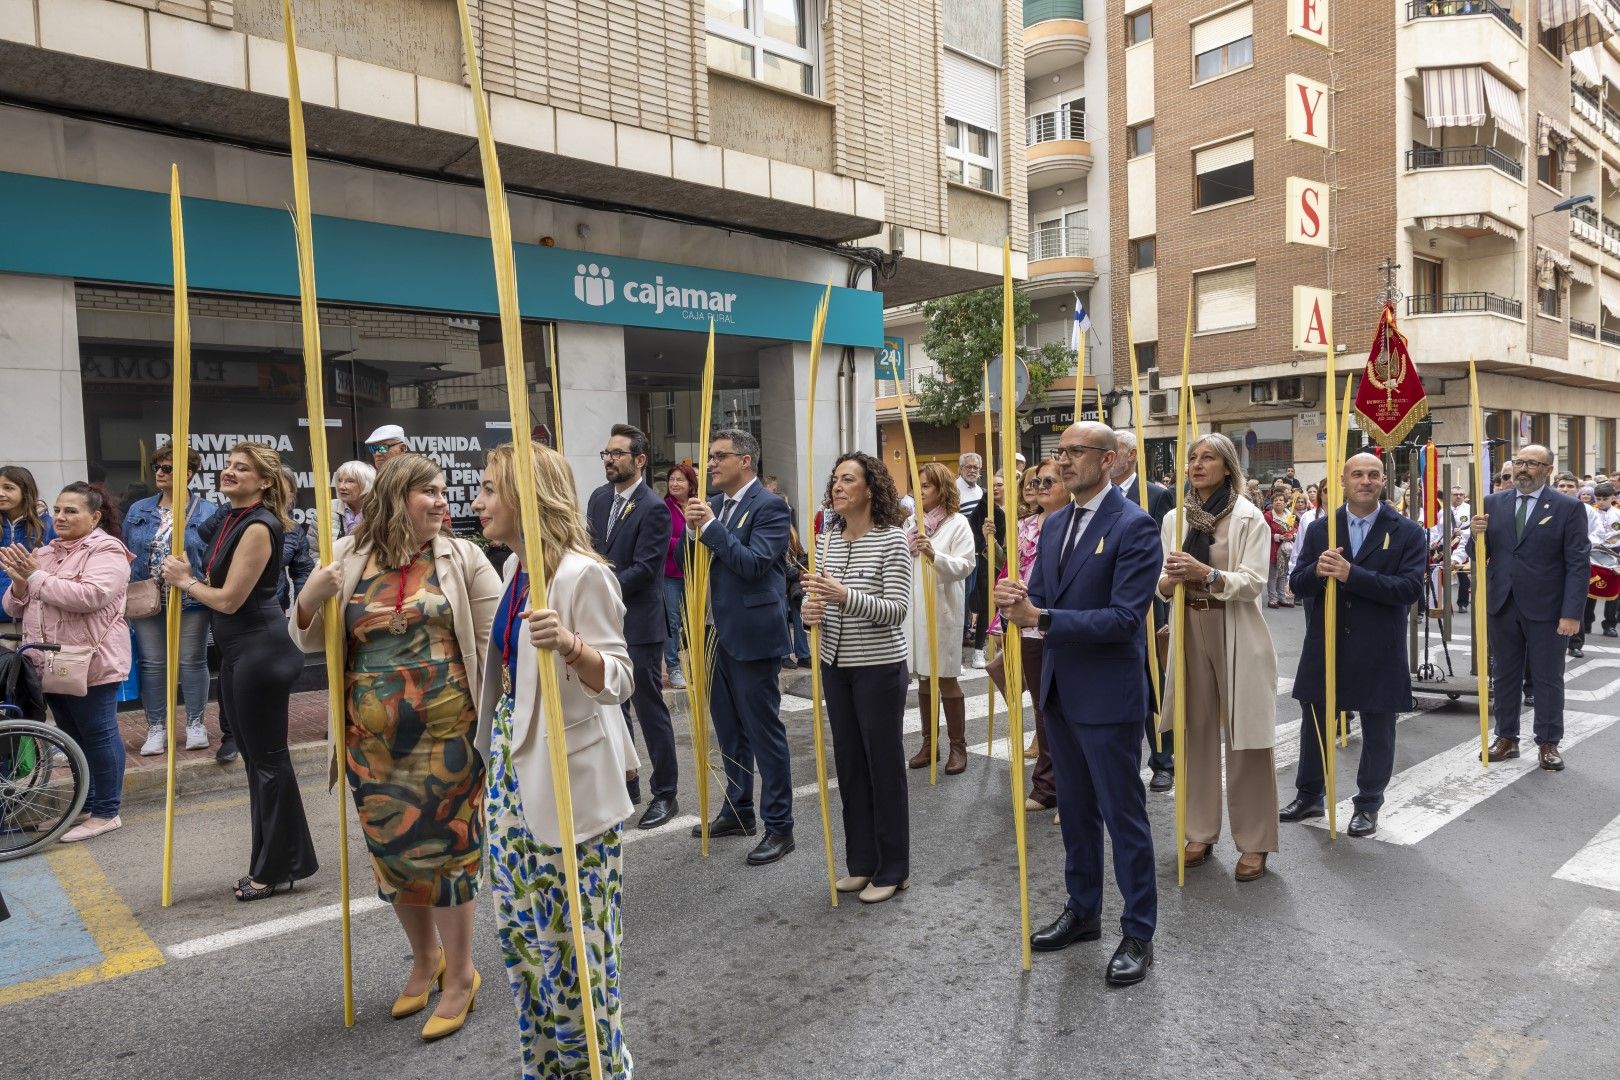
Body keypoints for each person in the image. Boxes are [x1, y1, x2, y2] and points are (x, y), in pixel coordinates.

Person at [289, 452, 498, 1037]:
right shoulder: (348, 558)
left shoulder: (464, 557)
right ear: (395, 497)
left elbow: (494, 644)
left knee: (450, 855)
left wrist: (499, 729)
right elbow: (309, 639)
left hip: (449, 738)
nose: (441, 501)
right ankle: (424, 960)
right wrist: (309, 597)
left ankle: (460, 974)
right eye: (427, 491)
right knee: (395, 854)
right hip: (371, 743)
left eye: (442, 491)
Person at [472, 440, 637, 1075]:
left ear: (527, 497)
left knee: (579, 954)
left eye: (490, 489)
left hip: (570, 786)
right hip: (515, 784)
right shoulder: (516, 569)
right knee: (524, 947)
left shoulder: (579, 574)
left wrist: (570, 644)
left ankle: (600, 1069)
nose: (478, 500)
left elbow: (620, 679)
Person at [994, 423, 1161, 986]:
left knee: (1123, 816)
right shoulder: (1057, 520)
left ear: (1109, 459)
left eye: (1074, 452)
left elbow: (1122, 619)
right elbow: (1044, 594)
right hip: (1060, 691)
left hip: (1109, 696)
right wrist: (1019, 599)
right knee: (1078, 817)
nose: (1061, 462)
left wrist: (1041, 618)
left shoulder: (1134, 525)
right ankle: (1083, 908)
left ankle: (1138, 930)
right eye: (1058, 452)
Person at [160, 442, 318, 900]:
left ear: (265, 482)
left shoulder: (259, 525)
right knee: (259, 763)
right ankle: (278, 860)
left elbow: (229, 599)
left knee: (268, 763)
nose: (229, 472)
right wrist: (191, 572)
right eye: (228, 465)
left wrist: (185, 581)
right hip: (238, 653)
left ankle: (275, 868)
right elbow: (218, 584)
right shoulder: (230, 518)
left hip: (260, 653)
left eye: (241, 468)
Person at [1282, 453, 1425, 838]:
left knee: (1378, 727)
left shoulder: (1408, 531)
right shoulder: (1321, 529)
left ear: (1383, 482)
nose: (1365, 480)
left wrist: (1351, 574)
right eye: (1357, 474)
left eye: (1373, 475)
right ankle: (1309, 793)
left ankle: (1368, 803)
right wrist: (1317, 570)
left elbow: (1409, 590)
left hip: (1379, 646)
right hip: (1327, 641)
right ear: (1342, 481)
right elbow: (1297, 584)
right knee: (1315, 724)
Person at [1158, 433, 1279, 881]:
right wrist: (1169, 584)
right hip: (1188, 626)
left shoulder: (1249, 518)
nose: (1197, 464)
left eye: (1208, 457)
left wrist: (1206, 574)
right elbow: (1163, 580)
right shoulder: (1173, 518)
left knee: (1246, 735)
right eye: (1192, 457)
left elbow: (1253, 582)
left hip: (1235, 628)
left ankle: (1255, 841)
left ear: (1228, 466)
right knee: (1194, 729)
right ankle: (1199, 830)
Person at [801, 451, 913, 904]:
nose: (838, 487)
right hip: (836, 665)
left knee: (883, 766)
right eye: (835, 480)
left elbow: (896, 610)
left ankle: (894, 867)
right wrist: (812, 611)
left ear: (871, 488)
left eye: (849, 479)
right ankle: (861, 862)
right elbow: (820, 604)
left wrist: (844, 596)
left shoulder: (892, 541)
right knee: (848, 765)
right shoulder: (826, 539)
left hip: (879, 668)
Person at [684, 429, 796, 865]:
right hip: (712, 632)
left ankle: (780, 827)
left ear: (745, 460)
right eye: (711, 457)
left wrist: (710, 530)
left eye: (719, 457)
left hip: (751, 634)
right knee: (728, 730)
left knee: (764, 733)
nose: (710, 464)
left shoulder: (769, 507)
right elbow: (687, 564)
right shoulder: (712, 507)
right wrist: (694, 534)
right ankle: (738, 808)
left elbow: (753, 565)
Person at [0, 482, 132, 843]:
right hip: (48, 662)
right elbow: (13, 607)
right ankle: (86, 804)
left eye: (71, 510)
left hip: (89, 660)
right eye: (58, 509)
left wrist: (35, 577)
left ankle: (107, 812)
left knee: (99, 734)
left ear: (95, 517)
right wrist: (20, 584)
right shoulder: (45, 551)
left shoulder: (107, 550)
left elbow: (91, 596)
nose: (60, 517)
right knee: (72, 736)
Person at [1472, 445, 1590, 770]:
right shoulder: (1493, 503)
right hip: (1502, 603)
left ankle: (1548, 742)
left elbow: (1578, 564)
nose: (1523, 469)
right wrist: (1474, 535)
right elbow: (1479, 553)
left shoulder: (1568, 508)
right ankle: (1506, 738)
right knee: (1504, 674)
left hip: (1548, 608)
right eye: (1520, 463)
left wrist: (1571, 613)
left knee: (1547, 677)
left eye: (1532, 464)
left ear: (1548, 469)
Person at [588, 424, 679, 830]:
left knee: (648, 707)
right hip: (602, 620)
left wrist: (594, 586)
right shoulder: (597, 499)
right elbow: (589, 551)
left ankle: (666, 793)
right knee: (611, 704)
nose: (609, 460)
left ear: (640, 460)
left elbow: (645, 569)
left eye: (618, 454)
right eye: (606, 453)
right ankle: (628, 781)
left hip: (639, 622)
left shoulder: (653, 507)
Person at [123, 442, 219, 756]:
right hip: (147, 596)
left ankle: (195, 723)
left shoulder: (207, 511)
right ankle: (156, 728)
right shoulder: (139, 509)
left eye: (168, 468)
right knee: (152, 664)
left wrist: (199, 577)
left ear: (188, 473)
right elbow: (126, 551)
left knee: (192, 660)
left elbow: (214, 555)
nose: (160, 474)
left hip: (191, 595)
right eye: (158, 467)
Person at [988, 461, 1063, 808]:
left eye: (1051, 479)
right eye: (1037, 481)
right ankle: (1047, 786)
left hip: (1065, 626)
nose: (1041, 485)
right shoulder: (1024, 526)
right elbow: (1009, 572)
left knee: (1069, 711)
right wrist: (1001, 617)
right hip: (1029, 627)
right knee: (1042, 708)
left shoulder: (1078, 524)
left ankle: (1073, 791)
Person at [1110, 430, 1176, 790]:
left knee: (1155, 679)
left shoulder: (1155, 495)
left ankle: (1163, 759)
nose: (1108, 457)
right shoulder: (1100, 496)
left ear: (1132, 455)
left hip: (1148, 602)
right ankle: (1126, 756)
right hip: (1111, 602)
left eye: (1114, 450)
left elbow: (1163, 550)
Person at [905, 462, 976, 775]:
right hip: (915, 608)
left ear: (942, 490)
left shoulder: (958, 523)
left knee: (945, 676)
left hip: (943, 608)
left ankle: (958, 746)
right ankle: (928, 743)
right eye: (918, 485)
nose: (920, 491)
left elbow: (965, 565)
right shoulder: (913, 522)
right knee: (923, 675)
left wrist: (934, 554)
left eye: (926, 486)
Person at [0, 466, 56, 637]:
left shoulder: (47, 525)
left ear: (25, 491)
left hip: (36, 620)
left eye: (8, 488)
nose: (1, 493)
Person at [661, 463, 698, 690]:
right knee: (672, 623)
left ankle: (695, 666)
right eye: (671, 480)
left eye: (680, 480)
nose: (674, 484)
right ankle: (674, 668)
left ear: (690, 484)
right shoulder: (663, 507)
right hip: (671, 575)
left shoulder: (697, 505)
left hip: (695, 573)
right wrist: (688, 540)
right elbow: (663, 540)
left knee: (694, 621)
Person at [1576, 482, 1620, 655]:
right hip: (1594, 552)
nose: (1602, 502)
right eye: (1599, 498)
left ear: (1613, 498)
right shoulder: (1590, 512)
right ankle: (1587, 622)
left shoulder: (1618, 513)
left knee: (1613, 591)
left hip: (1615, 553)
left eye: (1605, 499)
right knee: (1591, 587)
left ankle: (1609, 624)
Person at [1263, 493, 1298, 609]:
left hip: (1286, 550)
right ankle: (1273, 599)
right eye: (1276, 500)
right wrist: (1280, 537)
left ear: (1285, 503)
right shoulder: (1268, 516)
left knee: (1283, 574)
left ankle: (1282, 598)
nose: (1278, 502)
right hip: (1272, 548)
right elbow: (1264, 534)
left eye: (1281, 500)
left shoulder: (1290, 516)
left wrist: (1291, 535)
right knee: (1273, 575)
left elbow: (1295, 530)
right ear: (1272, 503)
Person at [332, 460, 376, 540]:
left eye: (350, 481)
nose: (341, 487)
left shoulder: (379, 510)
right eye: (339, 480)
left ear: (366, 484)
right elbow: (315, 550)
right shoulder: (327, 509)